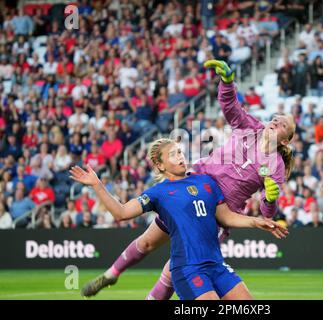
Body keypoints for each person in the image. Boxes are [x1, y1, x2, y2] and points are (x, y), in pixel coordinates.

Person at [80, 59, 295, 299]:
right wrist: (227, 83)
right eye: (275, 118)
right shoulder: (250, 127)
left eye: (283, 124)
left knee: (180, 265)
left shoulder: (275, 165)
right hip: (192, 188)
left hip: (219, 209)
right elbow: (229, 105)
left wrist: (270, 200)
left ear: (285, 141)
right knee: (148, 242)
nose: (276, 121)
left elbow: (268, 211)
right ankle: (112, 273)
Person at [70, 139, 287, 300]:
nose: (181, 157)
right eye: (174, 154)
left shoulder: (206, 182)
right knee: (146, 242)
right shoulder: (158, 193)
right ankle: (114, 273)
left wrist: (256, 221)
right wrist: (97, 185)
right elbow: (121, 213)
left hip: (216, 265)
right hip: (188, 269)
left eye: (181, 152)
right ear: (160, 165)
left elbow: (226, 217)